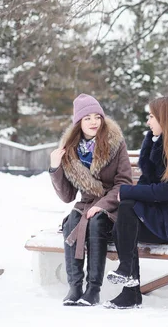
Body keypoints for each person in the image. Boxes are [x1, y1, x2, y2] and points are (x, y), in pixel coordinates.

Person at [104, 96, 168, 309]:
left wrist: (127, 191)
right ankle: (128, 280)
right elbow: (147, 187)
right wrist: (128, 195)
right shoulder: (153, 145)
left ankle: (129, 285)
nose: (148, 122)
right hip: (158, 215)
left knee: (126, 217)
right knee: (126, 213)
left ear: (165, 119)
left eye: (151, 117)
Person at [49, 94, 132, 306]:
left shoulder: (115, 143)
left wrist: (102, 205)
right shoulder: (71, 149)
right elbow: (67, 196)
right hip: (85, 204)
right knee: (71, 222)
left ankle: (93, 290)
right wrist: (55, 168)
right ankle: (75, 288)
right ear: (79, 122)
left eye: (97, 116)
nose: (94, 122)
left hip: (112, 205)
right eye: (87, 118)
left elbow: (124, 182)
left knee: (96, 221)